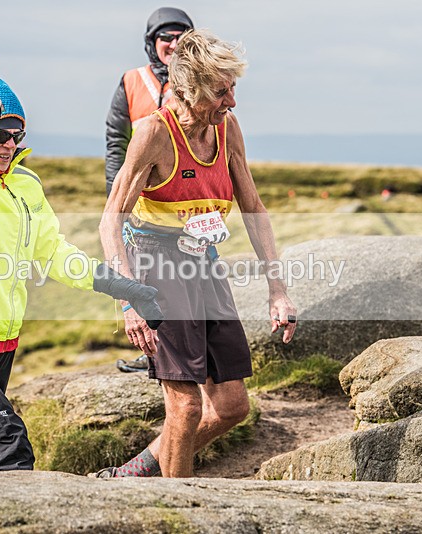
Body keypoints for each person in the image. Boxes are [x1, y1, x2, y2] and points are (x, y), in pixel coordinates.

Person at [0, 56, 163, 477]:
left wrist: (122, 286)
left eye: (17, 134)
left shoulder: (25, 185)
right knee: (7, 442)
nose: (9, 143)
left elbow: (52, 253)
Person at [95, 29, 297, 478]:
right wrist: (128, 302)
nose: (232, 101)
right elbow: (111, 220)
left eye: (233, 88)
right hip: (155, 265)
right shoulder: (152, 134)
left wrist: (277, 291)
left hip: (203, 260)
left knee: (230, 407)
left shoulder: (227, 129)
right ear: (189, 89)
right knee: (185, 408)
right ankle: (177, 509)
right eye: (222, 91)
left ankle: (137, 472)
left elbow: (253, 207)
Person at [105, 6, 194, 196]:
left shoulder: (202, 84)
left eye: (182, 38)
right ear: (152, 42)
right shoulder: (131, 80)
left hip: (187, 197)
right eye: (166, 37)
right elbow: (116, 144)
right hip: (140, 196)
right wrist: (114, 200)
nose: (175, 44)